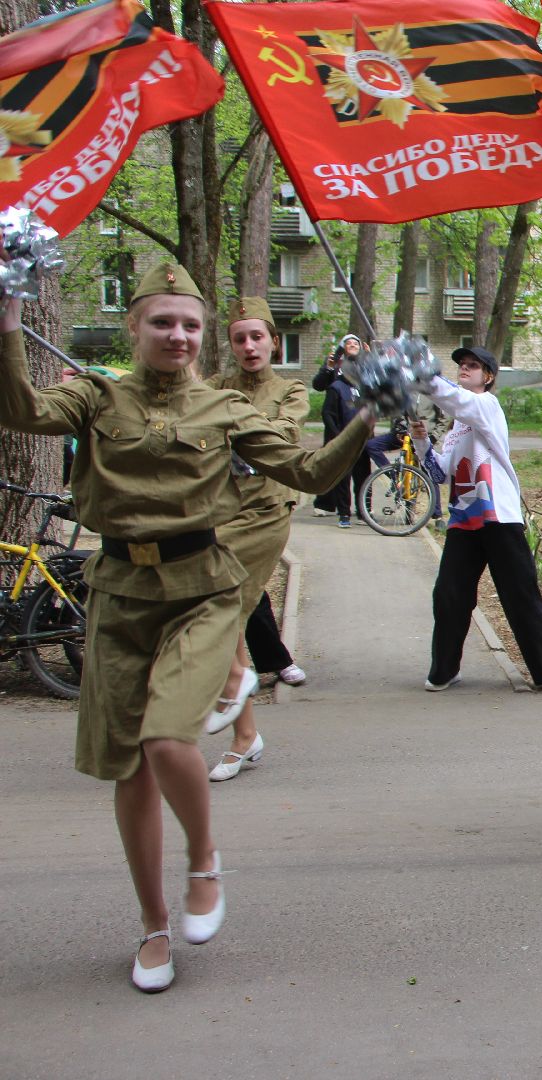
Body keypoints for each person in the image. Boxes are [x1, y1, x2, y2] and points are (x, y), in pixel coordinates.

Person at [0, 262, 373, 994]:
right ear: (134, 327)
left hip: (202, 588)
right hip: (117, 594)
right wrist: (10, 324)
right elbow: (22, 412)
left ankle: (204, 857)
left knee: (167, 737)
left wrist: (368, 417)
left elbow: (306, 473)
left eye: (190, 325)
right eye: (163, 322)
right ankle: (153, 925)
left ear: (203, 340)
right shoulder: (95, 395)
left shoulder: (223, 409)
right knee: (128, 769)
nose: (178, 335)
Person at [416, 346, 542, 696]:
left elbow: (458, 401)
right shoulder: (457, 427)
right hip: (464, 519)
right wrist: (420, 441)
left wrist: (422, 376)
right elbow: (441, 474)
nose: (464, 369)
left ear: (488, 376)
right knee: (449, 594)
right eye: (461, 365)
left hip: (498, 515)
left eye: (473, 366)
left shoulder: (485, 406)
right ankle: (445, 670)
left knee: (519, 593)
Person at [203, 297, 307, 782]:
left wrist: (223, 427)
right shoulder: (216, 386)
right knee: (221, 613)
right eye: (239, 338)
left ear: (272, 340)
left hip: (266, 512)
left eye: (257, 336)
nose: (249, 346)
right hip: (221, 512)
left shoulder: (291, 390)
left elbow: (280, 436)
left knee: (224, 610)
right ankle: (245, 732)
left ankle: (241, 728)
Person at [311, 334, 369, 527]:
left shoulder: (364, 368)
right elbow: (319, 386)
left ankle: (363, 510)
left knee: (361, 471)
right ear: (342, 348)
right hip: (338, 427)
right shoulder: (335, 368)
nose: (353, 345)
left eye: (356, 343)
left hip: (359, 429)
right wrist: (328, 367)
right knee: (335, 470)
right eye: (349, 343)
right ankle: (328, 505)